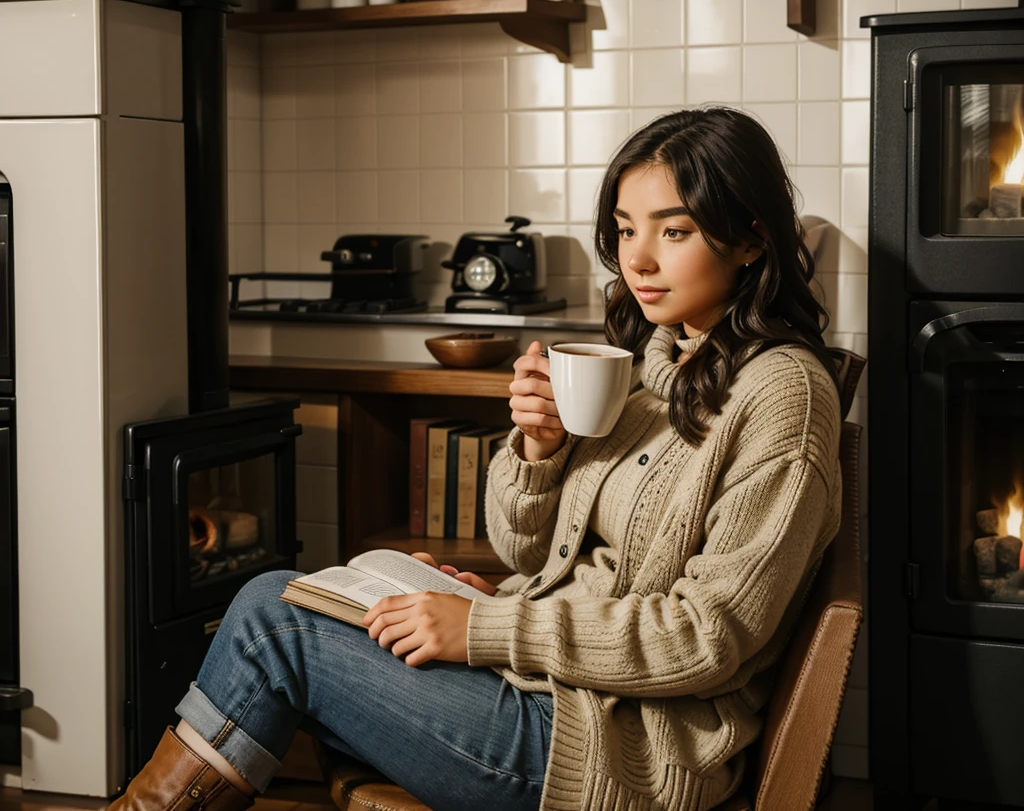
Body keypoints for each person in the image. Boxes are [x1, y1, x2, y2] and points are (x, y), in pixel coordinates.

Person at [111, 107, 842, 811]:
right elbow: (520, 545)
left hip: (611, 748)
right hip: (545, 684)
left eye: (673, 230)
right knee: (292, 601)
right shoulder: (651, 361)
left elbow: (706, 637)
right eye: (623, 231)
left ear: (750, 240)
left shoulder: (782, 394)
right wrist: (538, 452)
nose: (637, 259)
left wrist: (484, 629)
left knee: (272, 620)